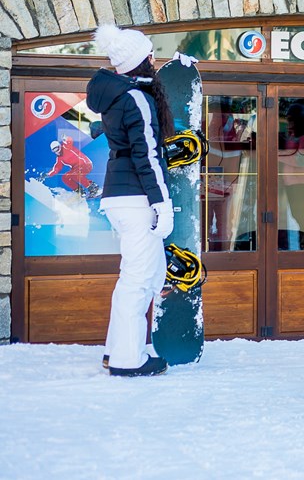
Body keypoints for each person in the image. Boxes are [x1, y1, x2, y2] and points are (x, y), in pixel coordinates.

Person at [87, 24, 174, 377]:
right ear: (142, 61)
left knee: (146, 273)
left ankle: (118, 349)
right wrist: (161, 202)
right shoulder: (136, 98)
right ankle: (127, 359)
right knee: (137, 279)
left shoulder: (118, 95)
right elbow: (147, 155)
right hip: (137, 197)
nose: (154, 59)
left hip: (120, 196)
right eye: (151, 54)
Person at [279, 103, 304, 250]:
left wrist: (277, 155)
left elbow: (301, 160)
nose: (289, 123)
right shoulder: (294, 135)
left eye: (291, 119)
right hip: (291, 181)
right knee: (298, 215)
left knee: (303, 216)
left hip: (301, 182)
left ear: (299, 120)